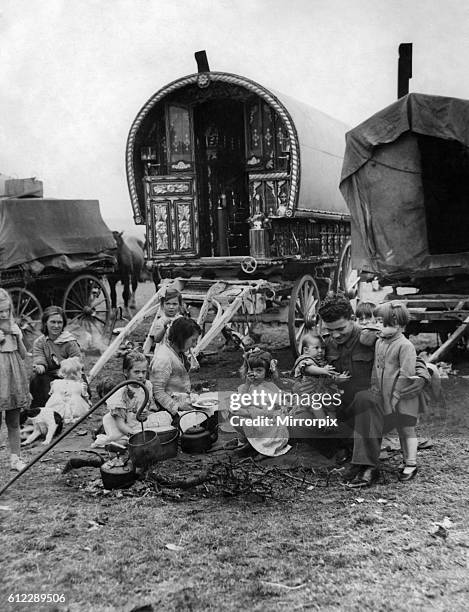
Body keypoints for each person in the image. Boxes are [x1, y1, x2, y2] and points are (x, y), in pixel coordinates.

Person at [318, 294, 430, 476]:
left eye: (340, 329)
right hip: (340, 409)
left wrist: (422, 377)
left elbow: (411, 357)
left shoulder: (373, 336)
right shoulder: (325, 343)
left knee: (365, 398)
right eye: (330, 330)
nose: (335, 335)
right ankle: (348, 444)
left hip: (373, 411)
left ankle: (366, 466)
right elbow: (308, 362)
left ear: (353, 319)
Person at [348, 302, 422, 488]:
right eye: (377, 321)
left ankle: (411, 463)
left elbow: (406, 374)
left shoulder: (405, 346)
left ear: (397, 324)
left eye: (382, 322)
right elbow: (376, 367)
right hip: (382, 394)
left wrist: (396, 396)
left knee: (406, 429)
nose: (378, 326)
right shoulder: (380, 341)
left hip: (402, 396)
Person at [92, 350, 171, 447]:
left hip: (139, 423)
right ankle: (114, 442)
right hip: (124, 427)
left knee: (166, 417)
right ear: (126, 372)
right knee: (122, 440)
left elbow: (147, 408)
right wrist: (134, 435)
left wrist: (145, 414)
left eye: (144, 372)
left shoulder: (148, 386)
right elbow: (120, 424)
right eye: (136, 372)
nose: (141, 375)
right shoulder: (120, 393)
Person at [230, 348, 291, 458]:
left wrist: (247, 413)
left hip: (271, 425)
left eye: (259, 370)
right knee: (235, 416)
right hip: (257, 420)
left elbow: (269, 413)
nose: (254, 374)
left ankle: (265, 449)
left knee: (246, 417)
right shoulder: (249, 386)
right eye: (252, 370)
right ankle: (252, 444)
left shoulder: (269, 388)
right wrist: (247, 384)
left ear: (267, 371)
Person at [0, 288, 30, 471]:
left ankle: (15, 458)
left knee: (13, 420)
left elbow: (24, 355)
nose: (3, 314)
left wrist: (18, 337)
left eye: (6, 310)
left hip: (13, 376)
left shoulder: (13, 327)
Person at [30, 306, 81, 409]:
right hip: (50, 374)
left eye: (59, 322)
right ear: (45, 323)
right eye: (53, 322)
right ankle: (40, 406)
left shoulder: (69, 342)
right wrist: (40, 366)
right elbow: (39, 357)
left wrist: (66, 371)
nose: (56, 326)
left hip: (69, 375)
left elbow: (77, 362)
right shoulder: (40, 342)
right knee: (36, 378)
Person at [150, 318, 202, 417]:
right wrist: (177, 408)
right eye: (193, 340)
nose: (195, 344)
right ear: (182, 338)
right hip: (167, 411)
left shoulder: (178, 353)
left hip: (181, 401)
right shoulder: (164, 358)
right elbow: (157, 392)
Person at [45, 356, 90, 424]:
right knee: (77, 403)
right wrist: (87, 402)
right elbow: (85, 397)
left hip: (57, 408)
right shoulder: (80, 385)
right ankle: (71, 416)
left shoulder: (56, 383)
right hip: (75, 409)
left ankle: (60, 415)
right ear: (77, 373)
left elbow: (51, 395)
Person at [143, 288, 185, 356]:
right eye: (167, 304)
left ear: (179, 305)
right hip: (162, 355)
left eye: (174, 304)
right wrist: (164, 328)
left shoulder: (181, 320)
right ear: (162, 305)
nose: (171, 307)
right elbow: (156, 339)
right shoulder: (161, 321)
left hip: (177, 354)